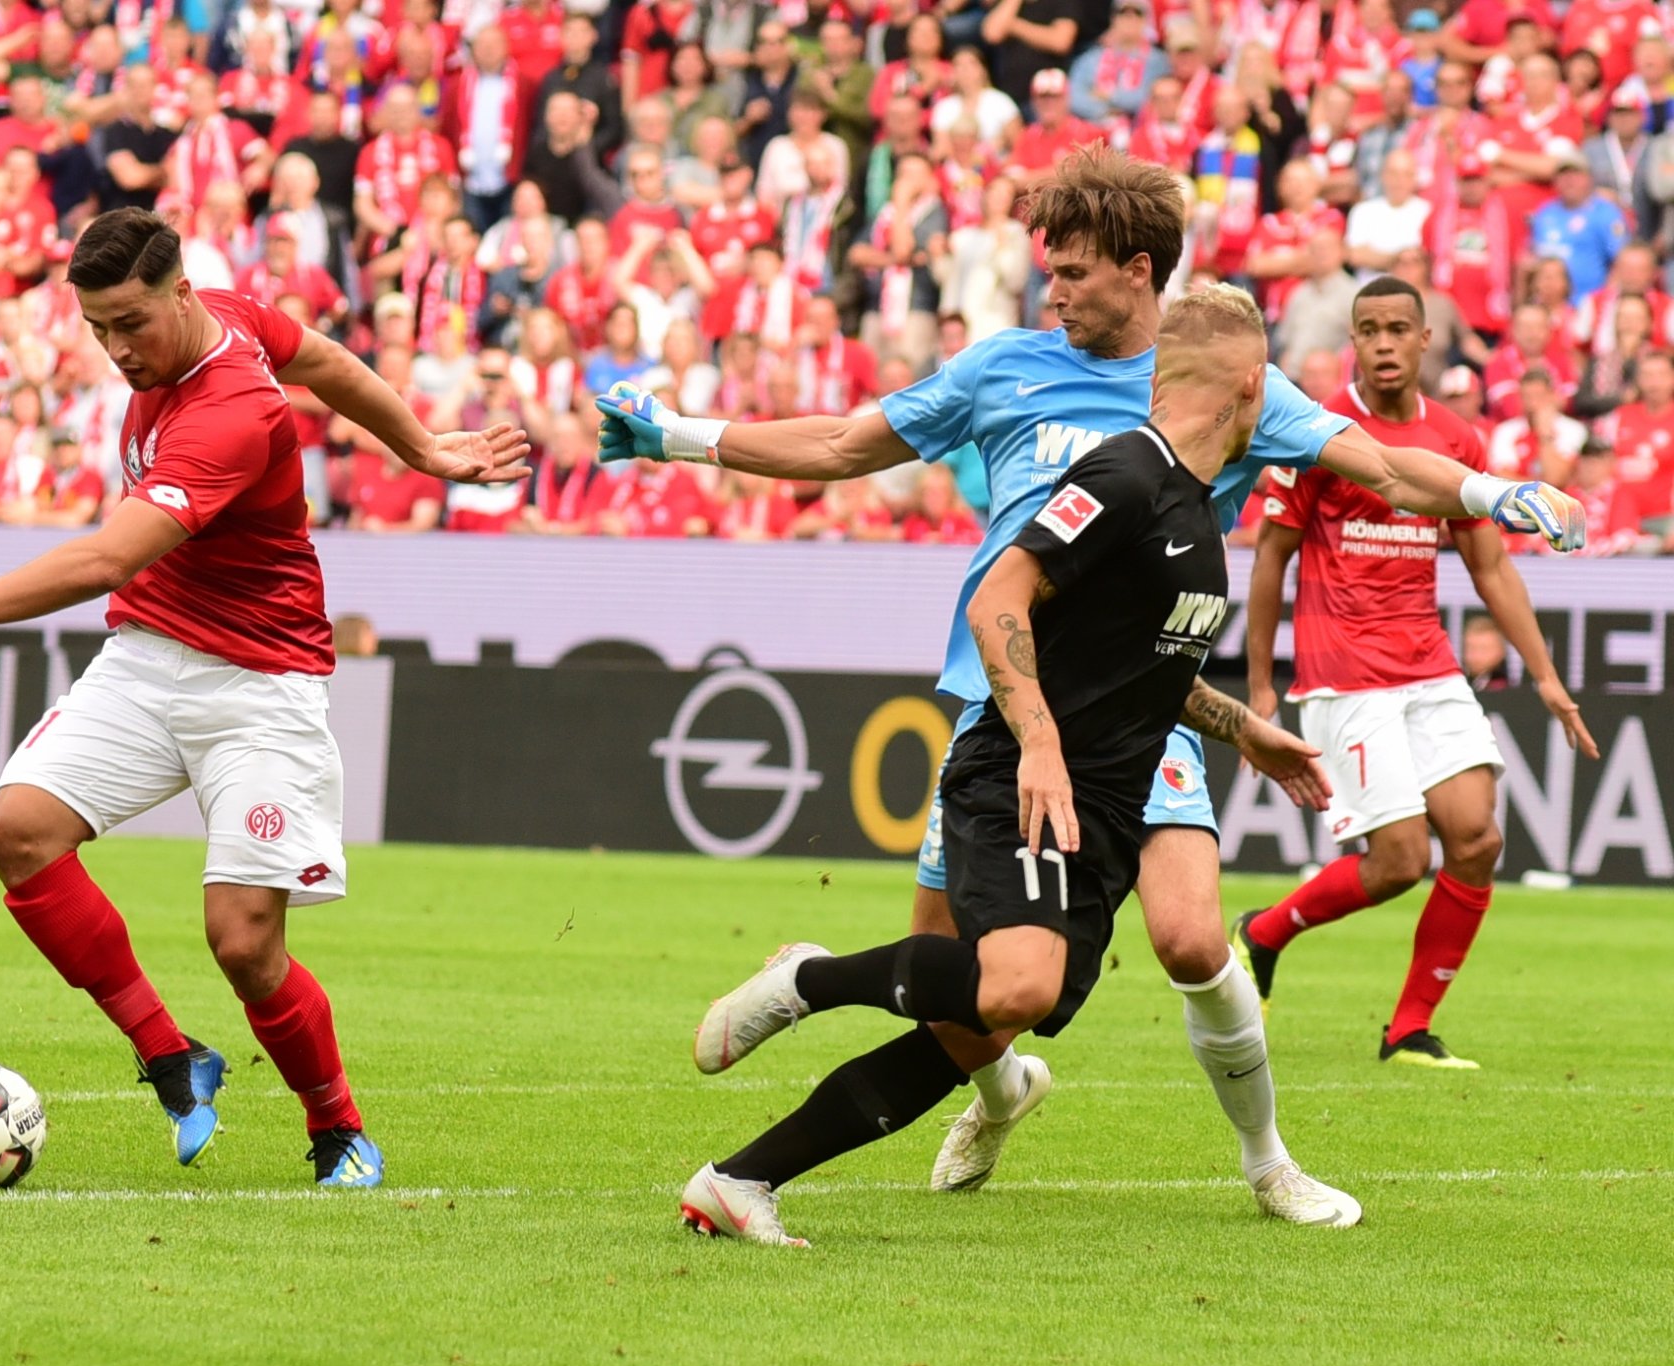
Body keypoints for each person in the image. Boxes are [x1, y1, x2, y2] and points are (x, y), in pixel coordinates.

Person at [596, 145, 1587, 1211]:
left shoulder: (1221, 379)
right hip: (1010, 704)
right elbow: (843, 442)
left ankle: (1269, 1164)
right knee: (973, 987)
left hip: (1144, 713)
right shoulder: (1002, 366)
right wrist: (679, 437)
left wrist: (1491, 488)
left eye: (1072, 271)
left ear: (1138, 268)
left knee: (1194, 938)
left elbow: (1385, 465)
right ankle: (992, 1091)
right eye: (1048, 269)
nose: (1053, 290)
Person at [0, 209, 528, 1187]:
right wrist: (421, 445)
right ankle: (172, 1055)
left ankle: (338, 1131)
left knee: (243, 941)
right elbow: (328, 358)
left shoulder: (233, 409)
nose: (118, 349)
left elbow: (108, 554)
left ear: (180, 293)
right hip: (151, 655)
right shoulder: (232, 319)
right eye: (98, 328)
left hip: (262, 685)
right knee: (19, 829)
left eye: (132, 323)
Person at [674, 287, 1348, 1245]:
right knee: (1015, 985)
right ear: (1251, 388)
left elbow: (1141, 669)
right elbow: (1000, 596)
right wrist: (1035, 740)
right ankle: (811, 978)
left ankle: (740, 1180)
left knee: (981, 1029)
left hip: (1105, 807)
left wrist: (1243, 728)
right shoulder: (1123, 474)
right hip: (1021, 773)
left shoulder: (1196, 516)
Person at [1236, 276, 1600, 1070]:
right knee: (1402, 859)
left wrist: (1543, 675)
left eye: (1400, 327)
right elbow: (1270, 561)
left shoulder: (1457, 440)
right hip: (1344, 670)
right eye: (1370, 330)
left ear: (1426, 338)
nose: (1386, 342)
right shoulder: (1319, 432)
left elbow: (1491, 567)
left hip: (1429, 666)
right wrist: (1261, 688)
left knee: (1476, 838)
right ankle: (1263, 932)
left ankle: (1407, 1029)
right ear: (1354, 343)